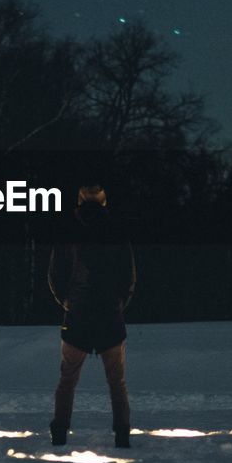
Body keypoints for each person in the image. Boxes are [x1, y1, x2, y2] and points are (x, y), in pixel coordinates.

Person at [47, 183, 137, 448]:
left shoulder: (68, 232)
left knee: (67, 380)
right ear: (104, 202)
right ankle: (122, 433)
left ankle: (60, 431)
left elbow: (54, 274)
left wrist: (66, 302)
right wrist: (119, 304)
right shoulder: (118, 232)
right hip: (110, 316)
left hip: (77, 317)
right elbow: (129, 277)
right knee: (117, 382)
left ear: (79, 202)